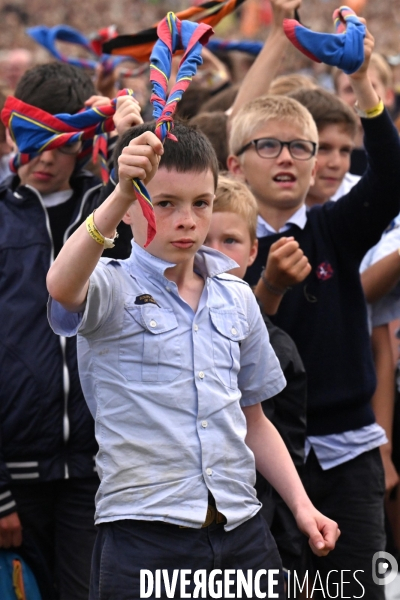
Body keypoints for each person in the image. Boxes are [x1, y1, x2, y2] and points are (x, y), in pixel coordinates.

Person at [46, 121, 339, 600]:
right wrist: (121, 192)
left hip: (240, 527)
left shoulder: (237, 296)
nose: (186, 220)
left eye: (201, 203)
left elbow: (254, 421)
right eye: (164, 204)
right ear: (133, 210)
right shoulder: (111, 286)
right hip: (145, 536)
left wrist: (303, 508)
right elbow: (61, 286)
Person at [227, 23, 400, 598]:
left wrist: (362, 81)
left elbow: (392, 177)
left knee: (363, 590)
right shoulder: (213, 243)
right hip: (257, 460)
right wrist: (269, 286)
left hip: (348, 453)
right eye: (268, 146)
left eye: (300, 147)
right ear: (235, 164)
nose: (288, 158)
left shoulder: (333, 229)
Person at [0, 62, 142, 600]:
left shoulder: (112, 207)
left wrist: (132, 144)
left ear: (84, 144)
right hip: (15, 472)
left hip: (98, 467)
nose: (45, 158)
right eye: (32, 142)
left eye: (60, 145)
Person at [204, 174, 308, 577]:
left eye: (229, 241)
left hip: (256, 527)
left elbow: (283, 447)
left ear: (252, 251)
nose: (215, 254)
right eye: (204, 240)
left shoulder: (277, 349)